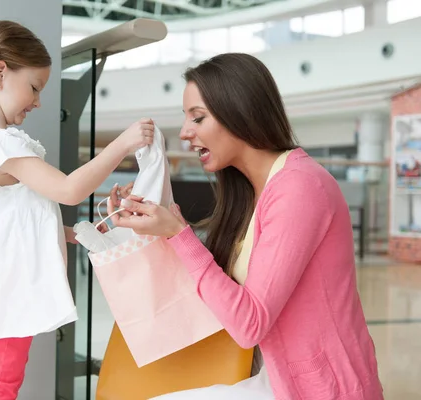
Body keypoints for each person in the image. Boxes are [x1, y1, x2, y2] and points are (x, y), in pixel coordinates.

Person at [106, 53, 383, 400]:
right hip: (282, 380)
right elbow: (219, 289)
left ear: (240, 112)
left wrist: (178, 234)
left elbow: (249, 323)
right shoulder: (258, 191)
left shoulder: (299, 188)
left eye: (198, 118)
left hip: (323, 389)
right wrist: (157, 222)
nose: (185, 133)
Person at [0, 20, 154, 400]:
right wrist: (123, 144)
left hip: (6, 288)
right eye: (34, 87)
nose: (37, 101)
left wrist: (75, 233)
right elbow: (68, 190)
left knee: (2, 384)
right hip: (4, 291)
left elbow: (22, 218)